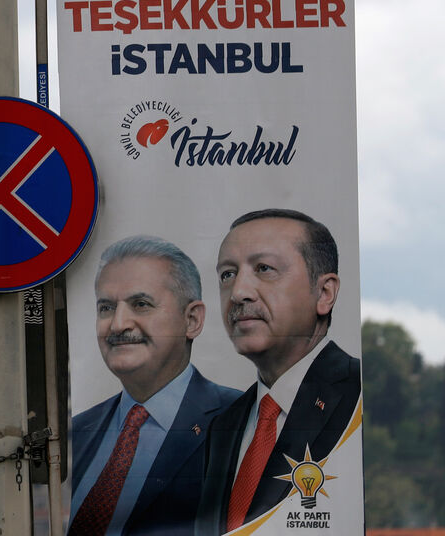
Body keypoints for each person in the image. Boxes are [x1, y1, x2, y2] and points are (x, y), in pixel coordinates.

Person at [195, 209, 362, 535]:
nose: (239, 292)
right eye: (227, 274)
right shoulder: (222, 427)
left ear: (324, 293)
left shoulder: (364, 396)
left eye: (264, 269)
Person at [69, 236, 238, 536]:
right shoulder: (75, 433)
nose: (118, 324)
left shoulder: (243, 422)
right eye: (106, 307)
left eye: (141, 304)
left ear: (192, 320)